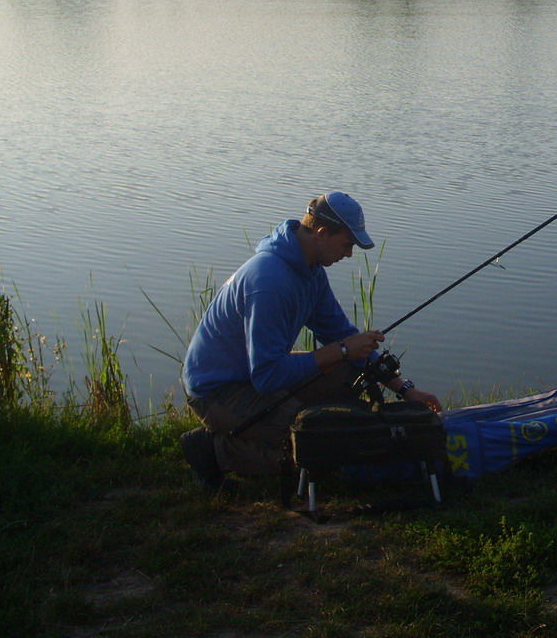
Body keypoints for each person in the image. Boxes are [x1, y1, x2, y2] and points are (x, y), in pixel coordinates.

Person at [180, 191, 440, 492]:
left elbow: (341, 334)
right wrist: (341, 350)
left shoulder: (310, 271)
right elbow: (268, 376)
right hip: (219, 391)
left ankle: (304, 427)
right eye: (347, 244)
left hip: (254, 375)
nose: (349, 254)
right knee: (318, 442)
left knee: (347, 375)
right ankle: (213, 450)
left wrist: (406, 389)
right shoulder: (270, 282)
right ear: (321, 233)